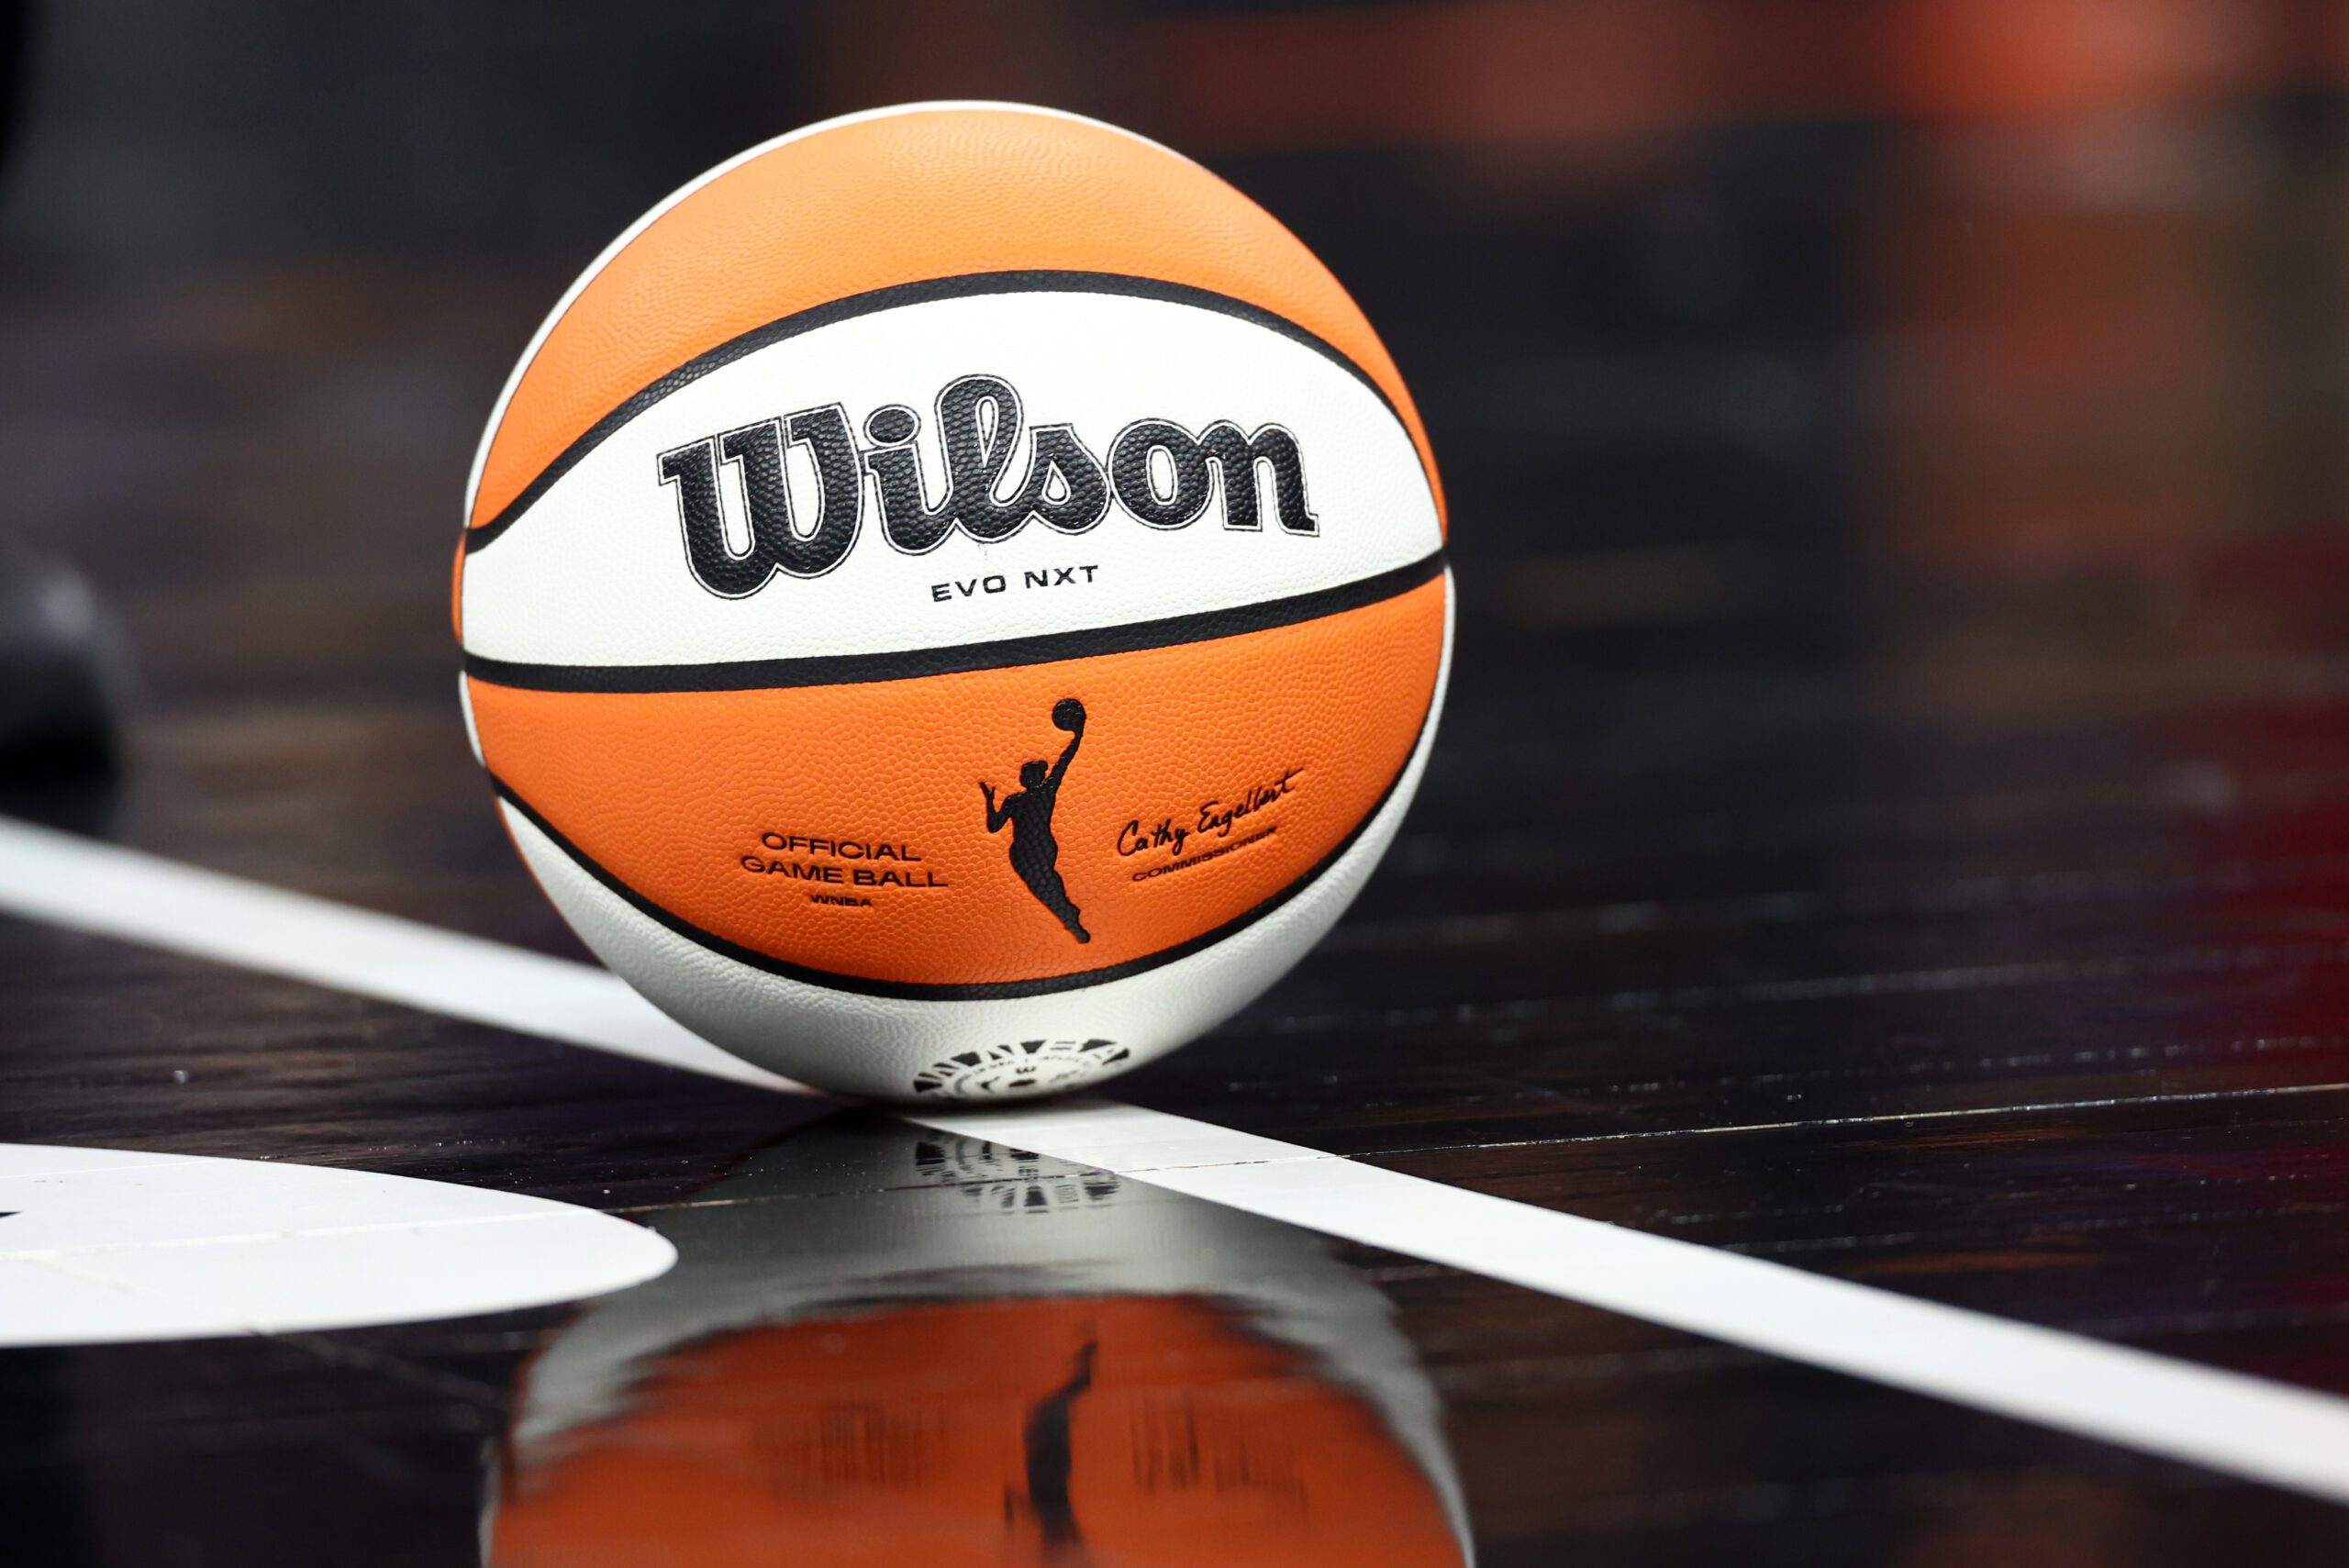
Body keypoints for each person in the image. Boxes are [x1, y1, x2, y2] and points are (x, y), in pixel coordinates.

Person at [982, 698, 1089, 942]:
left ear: (1038, 776)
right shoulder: (1017, 799)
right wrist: (989, 801)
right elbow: (993, 826)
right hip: (1021, 852)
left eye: (1030, 773)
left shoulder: (1044, 792)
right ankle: (1068, 914)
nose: (1025, 776)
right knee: (1041, 886)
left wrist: (1078, 736)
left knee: (1046, 883)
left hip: (1039, 848)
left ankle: (1070, 919)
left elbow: (1064, 762)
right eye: (1025, 773)